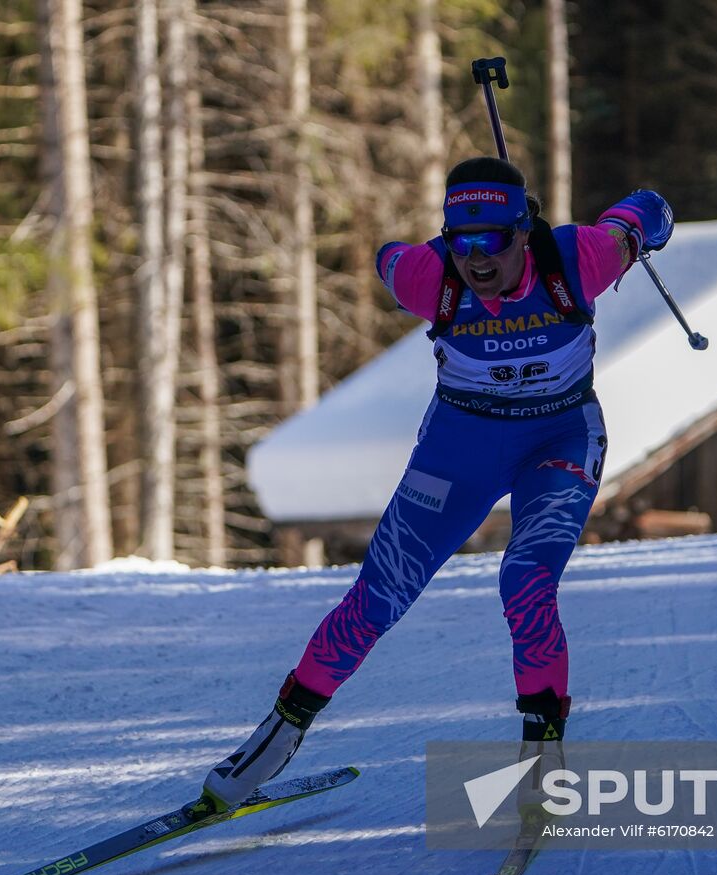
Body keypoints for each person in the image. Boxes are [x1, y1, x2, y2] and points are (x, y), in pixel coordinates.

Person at [186, 156, 674, 817]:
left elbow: (638, 211)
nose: (474, 259)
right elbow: (389, 257)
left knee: (525, 579)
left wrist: (649, 219)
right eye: (459, 240)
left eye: (491, 241)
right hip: (459, 446)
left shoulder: (578, 259)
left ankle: (542, 763)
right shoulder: (430, 277)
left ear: (522, 231)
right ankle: (273, 742)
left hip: (557, 440)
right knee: (377, 595)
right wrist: (414, 252)